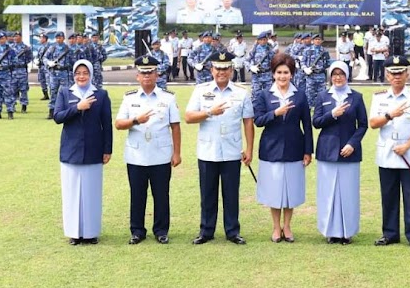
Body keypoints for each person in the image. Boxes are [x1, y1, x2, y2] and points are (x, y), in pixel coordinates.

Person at [185, 51, 254, 245]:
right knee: (207, 193)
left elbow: (248, 122)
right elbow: (189, 117)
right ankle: (206, 231)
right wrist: (209, 112)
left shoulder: (241, 92)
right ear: (211, 69)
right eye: (218, 68)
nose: (221, 72)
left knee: (231, 193)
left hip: (232, 151)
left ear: (231, 70)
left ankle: (232, 231)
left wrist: (249, 149)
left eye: (225, 68)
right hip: (208, 151)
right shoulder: (201, 90)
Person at [115, 55, 181, 245]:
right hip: (136, 155)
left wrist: (176, 153)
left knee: (161, 195)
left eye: (150, 72)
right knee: (137, 194)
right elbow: (119, 124)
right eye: (143, 73)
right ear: (137, 76)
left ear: (157, 74)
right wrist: (136, 120)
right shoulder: (129, 98)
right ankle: (137, 231)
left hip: (160, 154)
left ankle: (161, 230)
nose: (147, 76)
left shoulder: (168, 98)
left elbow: (175, 126)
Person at [369, 56, 410, 251]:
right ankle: (390, 233)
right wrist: (389, 115)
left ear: (407, 74)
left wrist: (407, 146)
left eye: (400, 73)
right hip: (387, 154)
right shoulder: (379, 98)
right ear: (387, 75)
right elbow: (372, 124)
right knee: (388, 196)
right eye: (393, 73)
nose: (396, 77)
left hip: (409, 154)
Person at [253, 53, 313, 243]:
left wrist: (308, 150)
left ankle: (287, 227)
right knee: (274, 189)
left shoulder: (300, 95)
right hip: (271, 148)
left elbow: (307, 125)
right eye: (279, 72)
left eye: (286, 72)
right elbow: (258, 120)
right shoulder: (264, 95)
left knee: (290, 190)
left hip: (295, 148)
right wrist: (276, 113)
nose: (282, 76)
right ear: (273, 74)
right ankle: (275, 227)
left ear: (292, 74)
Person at [54, 59, 112, 245]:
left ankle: (90, 233)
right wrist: (77, 108)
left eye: (85, 73)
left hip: (94, 150)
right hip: (71, 151)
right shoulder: (65, 92)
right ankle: (74, 233)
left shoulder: (101, 94)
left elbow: (107, 124)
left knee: (91, 194)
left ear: (91, 74)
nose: (81, 76)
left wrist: (107, 149)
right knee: (71, 194)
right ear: (73, 74)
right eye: (78, 73)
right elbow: (58, 117)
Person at [312, 61, 368, 244]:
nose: (338, 77)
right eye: (334, 74)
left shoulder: (356, 97)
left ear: (347, 75)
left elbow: (363, 125)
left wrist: (353, 143)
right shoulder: (322, 96)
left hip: (349, 152)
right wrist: (333, 114)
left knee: (348, 193)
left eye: (341, 74)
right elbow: (317, 122)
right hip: (327, 151)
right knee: (328, 192)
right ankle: (330, 231)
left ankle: (347, 232)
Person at [44, 31, 74, 119]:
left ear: (63, 38)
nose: (58, 39)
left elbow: (73, 61)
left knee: (65, 92)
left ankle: (66, 111)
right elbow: (45, 58)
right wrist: (49, 63)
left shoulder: (68, 49)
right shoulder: (52, 48)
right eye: (57, 38)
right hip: (54, 73)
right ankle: (51, 111)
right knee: (53, 92)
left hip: (64, 73)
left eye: (60, 37)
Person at [302, 33, 331, 107]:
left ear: (321, 41)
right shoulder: (307, 50)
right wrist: (305, 68)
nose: (317, 41)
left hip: (321, 76)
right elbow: (302, 62)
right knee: (309, 95)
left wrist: (322, 67)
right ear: (312, 41)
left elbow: (328, 63)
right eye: (316, 39)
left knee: (322, 95)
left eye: (319, 39)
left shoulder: (324, 51)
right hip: (311, 76)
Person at [247, 32, 275, 101]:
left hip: (267, 75)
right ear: (258, 40)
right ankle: (256, 110)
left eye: (265, 39)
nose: (263, 41)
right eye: (261, 40)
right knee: (256, 95)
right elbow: (246, 60)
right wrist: (251, 67)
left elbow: (274, 62)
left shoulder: (270, 50)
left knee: (269, 95)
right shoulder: (254, 50)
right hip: (257, 76)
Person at [35, 33, 51, 100]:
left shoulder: (49, 47)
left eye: (41, 38)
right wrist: (36, 60)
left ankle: (52, 94)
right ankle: (45, 95)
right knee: (42, 80)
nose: (40, 39)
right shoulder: (40, 47)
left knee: (49, 81)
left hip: (46, 66)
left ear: (45, 39)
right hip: (41, 66)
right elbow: (37, 56)